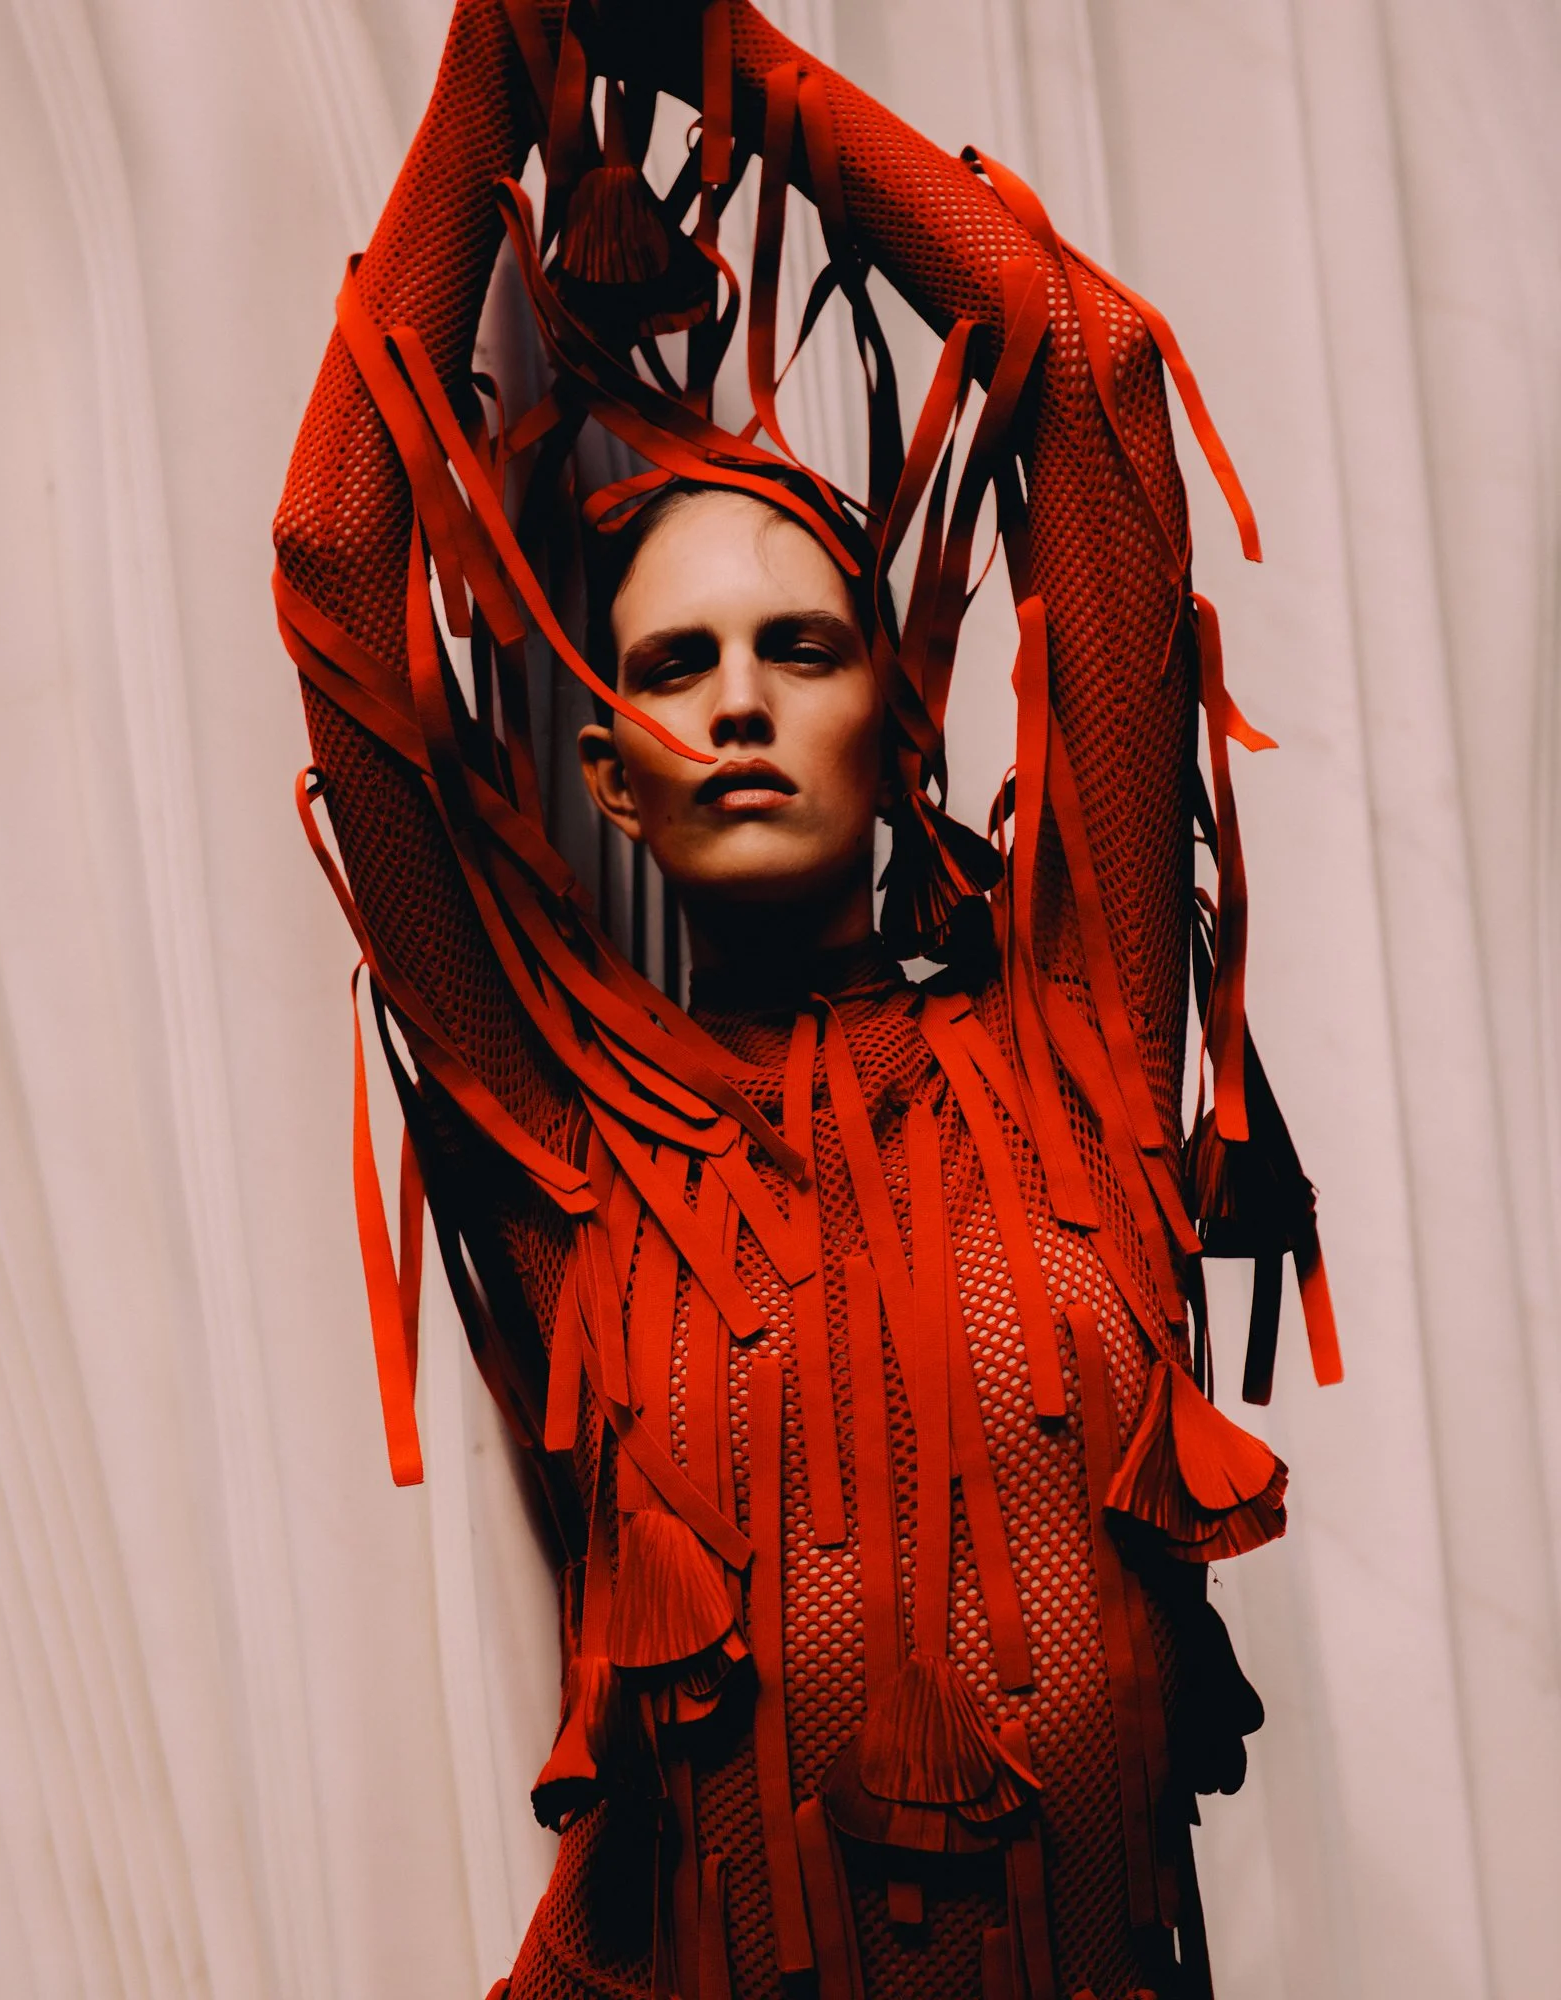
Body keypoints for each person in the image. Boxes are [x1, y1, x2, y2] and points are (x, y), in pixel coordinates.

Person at [273, 5, 1340, 1995]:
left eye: (800, 644)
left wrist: (713, 58)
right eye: (675, 665)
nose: (741, 697)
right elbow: (337, 571)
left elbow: (1090, 382)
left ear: (891, 709)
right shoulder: (573, 1143)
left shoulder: (1080, 1044)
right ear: (609, 765)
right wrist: (500, 76)